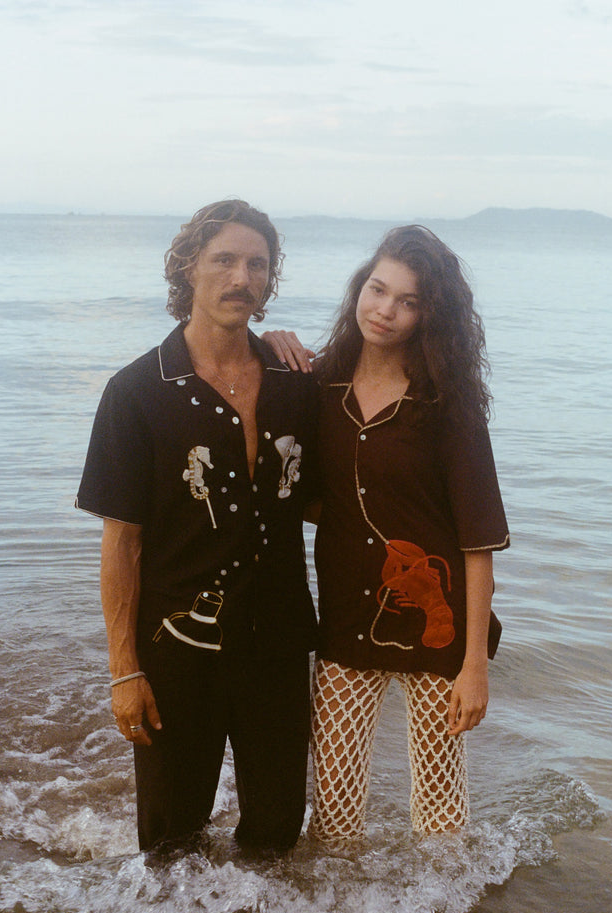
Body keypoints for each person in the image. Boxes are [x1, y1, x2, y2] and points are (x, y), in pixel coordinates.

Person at [77, 200, 319, 854]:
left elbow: (325, 502)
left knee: (276, 833)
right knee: (170, 839)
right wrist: (124, 669)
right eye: (225, 260)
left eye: (258, 264)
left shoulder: (295, 384)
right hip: (177, 649)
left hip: (278, 644)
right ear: (187, 267)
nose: (242, 277)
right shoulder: (137, 392)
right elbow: (121, 541)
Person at [265, 225, 509, 841]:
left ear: (431, 316)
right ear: (360, 288)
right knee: (334, 807)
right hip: (348, 616)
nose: (386, 310)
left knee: (439, 806)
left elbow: (478, 541)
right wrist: (264, 343)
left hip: (438, 623)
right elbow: (306, 490)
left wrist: (474, 664)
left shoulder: (447, 403)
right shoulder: (321, 386)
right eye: (378, 289)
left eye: (409, 301)